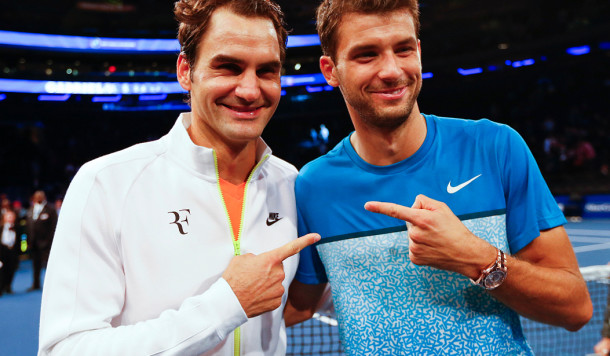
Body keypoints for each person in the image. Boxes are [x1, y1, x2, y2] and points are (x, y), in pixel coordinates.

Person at [285, 0, 592, 354]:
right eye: (366, 55)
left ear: (418, 51)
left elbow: (575, 308)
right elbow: (298, 305)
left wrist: (478, 258)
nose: (391, 70)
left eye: (402, 49)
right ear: (330, 69)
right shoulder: (313, 186)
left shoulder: (495, 147)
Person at [38, 0, 319, 355]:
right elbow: (65, 350)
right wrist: (225, 304)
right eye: (228, 67)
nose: (250, 91)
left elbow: (307, 301)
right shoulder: (106, 184)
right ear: (186, 71)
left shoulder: (291, 183)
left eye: (266, 71)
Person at [26, 190, 57, 291]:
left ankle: (52, 286)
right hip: (34, 244)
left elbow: (53, 227)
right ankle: (35, 284)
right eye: (36, 196)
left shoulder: (50, 210)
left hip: (46, 244)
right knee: (36, 266)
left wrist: (49, 242)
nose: (38, 198)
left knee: (49, 266)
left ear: (44, 197)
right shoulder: (31, 209)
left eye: (40, 196)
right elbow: (28, 226)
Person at [0, 210, 21, 295]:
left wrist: (20, 251)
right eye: (8, 216)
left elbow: (21, 241)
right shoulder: (1, 227)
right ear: (4, 217)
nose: (10, 218)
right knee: (2, 270)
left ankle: (8, 286)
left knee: (11, 269)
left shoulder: (18, 228)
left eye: (12, 216)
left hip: (13, 251)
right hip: (2, 251)